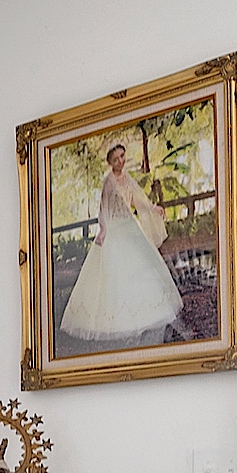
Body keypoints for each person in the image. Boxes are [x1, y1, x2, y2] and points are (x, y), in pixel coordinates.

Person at [59, 142, 182, 345]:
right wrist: (104, 229)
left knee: (142, 266)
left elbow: (137, 199)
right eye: (116, 159)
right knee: (115, 273)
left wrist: (152, 208)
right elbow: (103, 208)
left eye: (122, 156)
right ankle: (118, 320)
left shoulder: (128, 178)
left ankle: (146, 313)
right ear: (109, 163)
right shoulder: (109, 182)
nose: (120, 161)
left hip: (129, 227)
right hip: (115, 229)